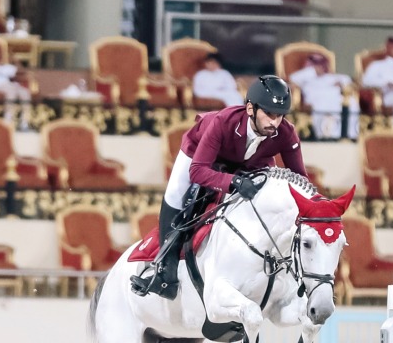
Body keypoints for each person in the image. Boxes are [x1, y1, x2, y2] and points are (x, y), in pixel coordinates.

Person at [131, 75, 307, 300]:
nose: (275, 122)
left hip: (250, 163)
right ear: (251, 108)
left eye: (280, 115)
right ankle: (165, 272)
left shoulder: (286, 133)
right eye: (269, 114)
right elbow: (198, 171)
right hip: (199, 154)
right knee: (176, 191)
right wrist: (232, 182)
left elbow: (300, 179)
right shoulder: (223, 122)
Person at [288, 52, 359, 139]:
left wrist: (340, 84)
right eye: (316, 65)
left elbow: (347, 80)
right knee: (325, 108)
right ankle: (326, 136)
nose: (319, 67)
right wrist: (313, 71)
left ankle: (350, 135)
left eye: (321, 65)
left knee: (352, 102)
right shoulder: (306, 77)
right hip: (319, 100)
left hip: (338, 99)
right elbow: (292, 79)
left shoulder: (331, 77)